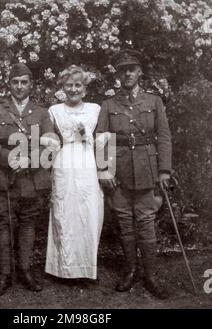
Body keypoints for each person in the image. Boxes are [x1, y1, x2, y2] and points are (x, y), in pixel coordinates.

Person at [97, 49, 172, 299]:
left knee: (146, 222)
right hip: (119, 172)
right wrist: (104, 170)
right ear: (118, 75)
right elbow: (102, 140)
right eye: (123, 69)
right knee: (125, 223)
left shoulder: (154, 102)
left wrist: (164, 170)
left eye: (132, 68)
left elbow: (163, 137)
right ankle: (130, 271)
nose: (127, 73)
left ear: (140, 72)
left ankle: (150, 275)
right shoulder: (108, 104)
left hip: (147, 168)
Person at [0, 63, 51, 297]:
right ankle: (4, 274)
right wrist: (9, 158)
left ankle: (25, 270)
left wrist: (28, 161)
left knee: (28, 223)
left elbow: (49, 145)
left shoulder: (41, 113)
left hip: (31, 179)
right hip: (3, 177)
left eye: (24, 82)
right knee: (5, 222)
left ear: (31, 85)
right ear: (9, 84)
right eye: (15, 82)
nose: (19, 86)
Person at [44, 65, 104, 281]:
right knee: (65, 211)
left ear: (85, 88)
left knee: (88, 210)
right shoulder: (54, 111)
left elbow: (103, 139)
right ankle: (64, 268)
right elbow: (49, 138)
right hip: (65, 161)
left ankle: (86, 267)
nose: (73, 89)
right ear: (62, 87)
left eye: (78, 84)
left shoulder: (95, 109)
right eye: (69, 85)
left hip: (88, 161)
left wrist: (88, 136)